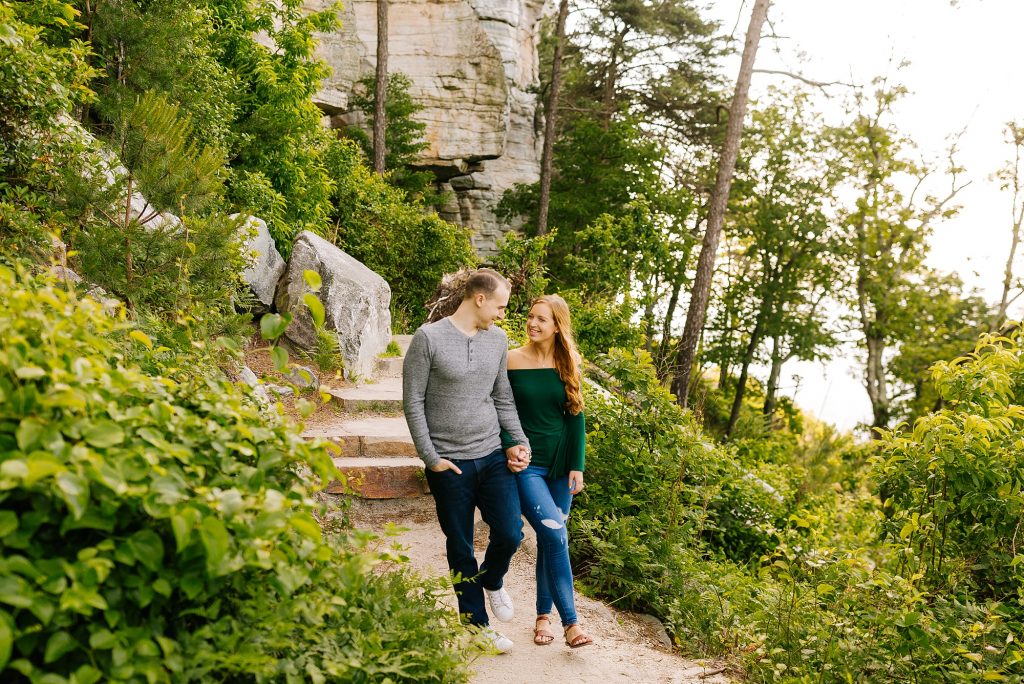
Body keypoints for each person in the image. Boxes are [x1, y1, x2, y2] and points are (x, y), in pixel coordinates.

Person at [402, 268, 533, 653]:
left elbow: (502, 397)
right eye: (500, 306)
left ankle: (492, 580)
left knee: (510, 532)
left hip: (492, 454)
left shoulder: (498, 341)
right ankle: (477, 627)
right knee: (460, 545)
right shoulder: (428, 339)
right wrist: (431, 457)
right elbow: (413, 402)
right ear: (480, 299)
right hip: (450, 463)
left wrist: (518, 441)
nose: (502, 314)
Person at [503, 294, 594, 649]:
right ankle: (572, 623)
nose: (533, 324)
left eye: (542, 319)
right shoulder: (511, 359)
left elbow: (576, 418)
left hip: (560, 468)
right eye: (530, 317)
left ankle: (543, 617)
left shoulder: (567, 361)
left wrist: (577, 465)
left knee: (551, 539)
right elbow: (500, 407)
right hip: (527, 466)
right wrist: (508, 443)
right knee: (556, 535)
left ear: (557, 325)